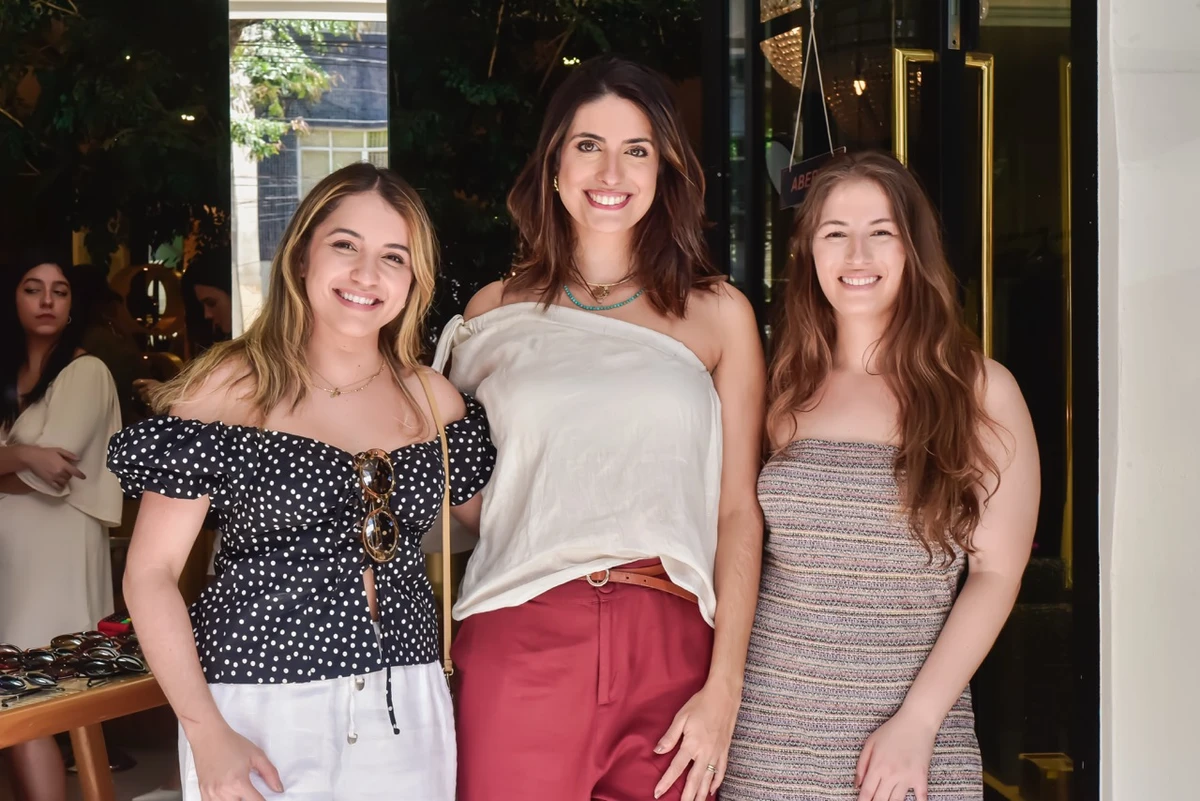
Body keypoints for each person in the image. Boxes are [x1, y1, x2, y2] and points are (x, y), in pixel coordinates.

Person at [107, 162, 495, 801]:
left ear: (413, 280)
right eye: (346, 245)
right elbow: (148, 575)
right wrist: (207, 732)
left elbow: (515, 529)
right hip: (259, 703)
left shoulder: (434, 401)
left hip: (410, 700)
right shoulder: (229, 387)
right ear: (301, 258)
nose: (368, 275)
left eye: (393, 257)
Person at [434, 56, 765, 801]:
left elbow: (737, 511)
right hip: (522, 630)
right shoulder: (493, 311)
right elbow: (460, 478)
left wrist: (726, 687)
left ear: (665, 171)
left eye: (637, 149)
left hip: (671, 638)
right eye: (588, 144)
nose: (610, 169)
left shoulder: (719, 314)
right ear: (553, 165)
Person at [721, 151, 1040, 801]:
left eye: (881, 231)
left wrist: (918, 722)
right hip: (769, 742)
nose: (856, 253)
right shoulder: (783, 393)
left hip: (911, 750)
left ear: (913, 247)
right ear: (809, 252)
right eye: (835, 232)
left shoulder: (979, 391)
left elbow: (997, 574)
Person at [0, 251, 124, 801]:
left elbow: (56, 477)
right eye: (33, 288)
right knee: (11, 702)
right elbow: (39, 466)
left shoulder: (86, 371)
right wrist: (26, 454)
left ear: (73, 307)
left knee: (39, 701)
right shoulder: (5, 375)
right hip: (9, 552)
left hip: (56, 552)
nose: (47, 300)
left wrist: (20, 461)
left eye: (60, 291)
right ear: (14, 299)